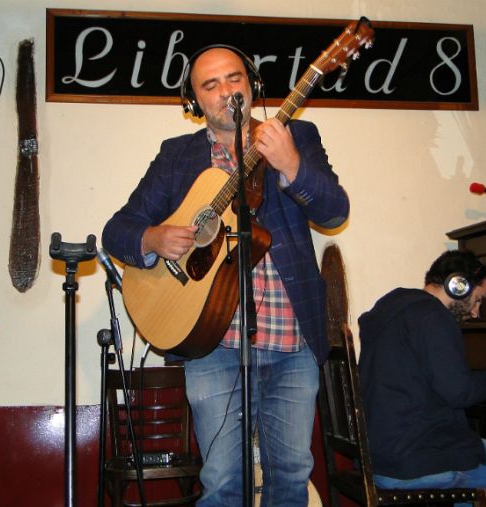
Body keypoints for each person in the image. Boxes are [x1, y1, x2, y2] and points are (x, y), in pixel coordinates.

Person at [102, 45, 349, 506]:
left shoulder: (298, 135)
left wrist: (291, 163)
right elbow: (117, 231)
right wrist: (153, 239)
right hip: (211, 342)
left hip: (291, 340)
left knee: (291, 479)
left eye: (234, 79)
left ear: (252, 86)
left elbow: (336, 213)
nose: (225, 92)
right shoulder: (177, 156)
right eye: (209, 85)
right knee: (222, 482)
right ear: (195, 101)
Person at [357, 249, 486, 507]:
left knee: (469, 454)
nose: (476, 312)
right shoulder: (433, 317)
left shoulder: (394, 310)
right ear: (458, 285)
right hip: (416, 460)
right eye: (478, 299)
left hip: (381, 458)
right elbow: (459, 393)